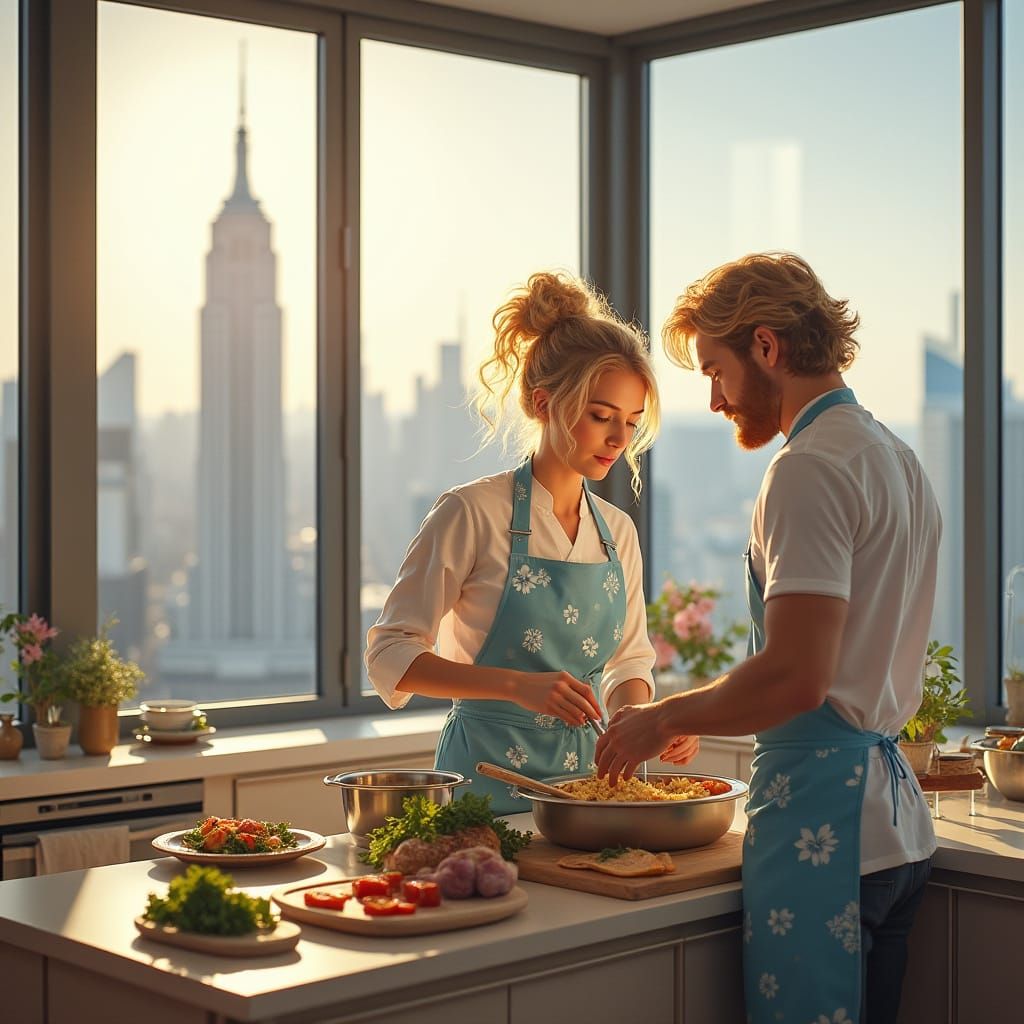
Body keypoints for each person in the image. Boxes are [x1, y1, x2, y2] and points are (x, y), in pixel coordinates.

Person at [594, 253, 941, 1024]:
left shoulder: (808, 469)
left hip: (830, 832)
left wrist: (663, 717)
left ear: (767, 347)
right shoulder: (900, 460)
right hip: (895, 830)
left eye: (715, 371)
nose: (714, 400)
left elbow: (795, 676)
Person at [366, 271, 667, 813]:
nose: (619, 439)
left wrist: (636, 720)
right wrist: (514, 686)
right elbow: (391, 655)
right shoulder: (471, 512)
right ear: (541, 404)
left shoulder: (618, 531)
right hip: (484, 784)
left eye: (631, 421)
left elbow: (630, 662)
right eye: (601, 417)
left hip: (590, 792)